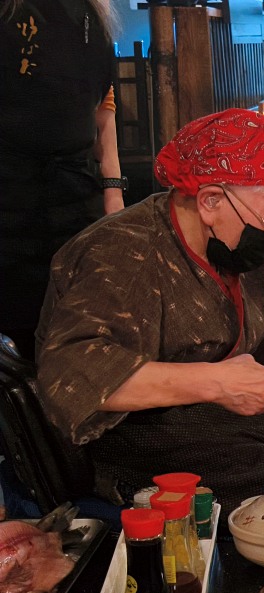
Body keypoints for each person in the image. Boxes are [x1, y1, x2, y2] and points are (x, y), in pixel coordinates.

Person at [35, 109, 264, 512]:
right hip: (129, 441)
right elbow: (69, 376)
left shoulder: (231, 244)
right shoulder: (123, 250)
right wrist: (216, 382)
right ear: (210, 200)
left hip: (207, 420)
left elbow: (252, 337)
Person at [0, 0, 125, 360]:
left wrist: (113, 193)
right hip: (9, 200)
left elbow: (104, 112)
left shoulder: (91, 14)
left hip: (74, 197)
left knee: (73, 324)